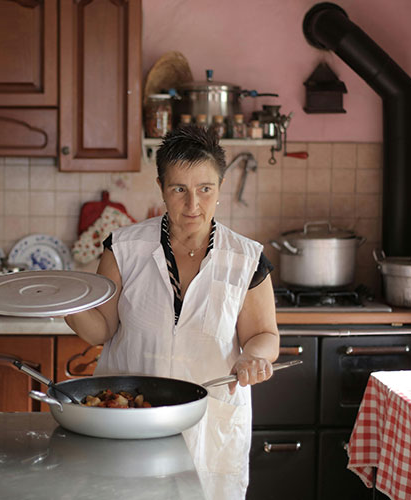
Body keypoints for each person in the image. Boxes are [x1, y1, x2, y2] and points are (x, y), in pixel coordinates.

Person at [64, 125, 279, 499]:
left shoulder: (246, 259)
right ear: (161, 187)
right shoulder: (124, 248)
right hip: (128, 418)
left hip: (210, 425)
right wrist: (64, 302)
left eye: (205, 189)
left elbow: (264, 335)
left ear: (220, 188)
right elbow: (101, 329)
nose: (192, 205)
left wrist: (254, 357)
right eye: (179, 189)